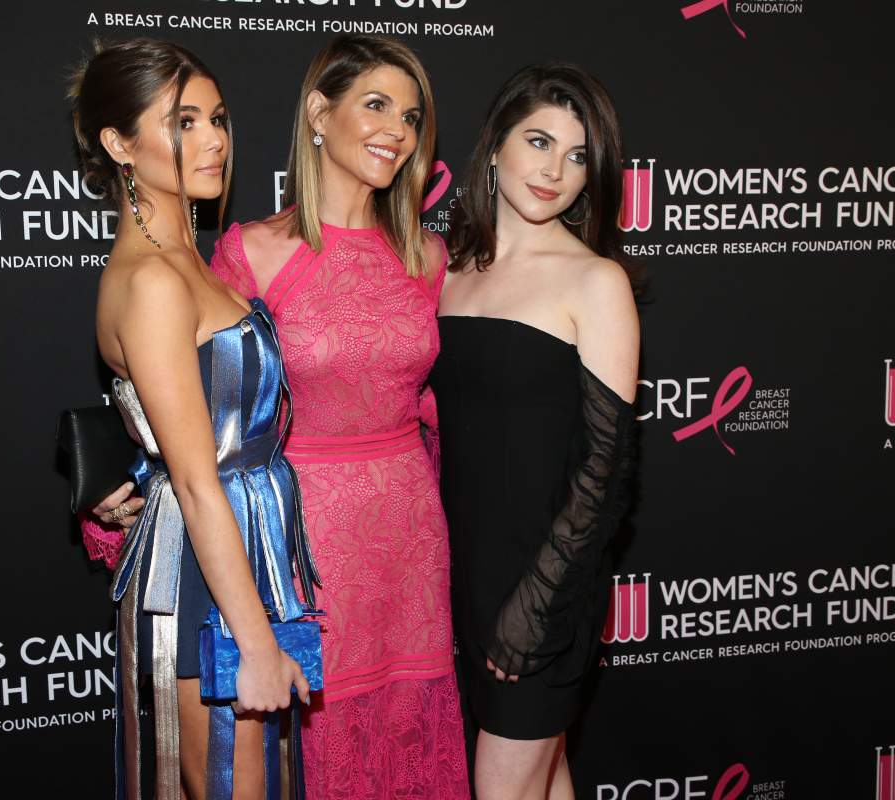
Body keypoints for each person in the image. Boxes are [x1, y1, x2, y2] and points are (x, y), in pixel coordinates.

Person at [100, 34, 470, 799]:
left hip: (403, 541)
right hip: (288, 550)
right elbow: (191, 421)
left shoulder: (432, 260)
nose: (396, 129)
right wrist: (118, 487)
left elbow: (457, 403)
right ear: (316, 113)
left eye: (411, 115)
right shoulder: (240, 254)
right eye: (374, 104)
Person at [70, 39, 316, 800]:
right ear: (119, 144)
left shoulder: (191, 262)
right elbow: (196, 480)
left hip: (248, 560)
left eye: (218, 118)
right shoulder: (149, 282)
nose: (214, 139)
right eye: (183, 122)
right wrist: (255, 642)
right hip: (203, 591)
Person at [430, 64, 641, 800]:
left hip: (543, 589)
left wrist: (536, 608)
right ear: (495, 147)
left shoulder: (595, 282)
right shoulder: (447, 270)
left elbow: (606, 474)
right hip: (456, 576)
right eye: (539, 141)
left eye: (578, 155)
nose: (555, 169)